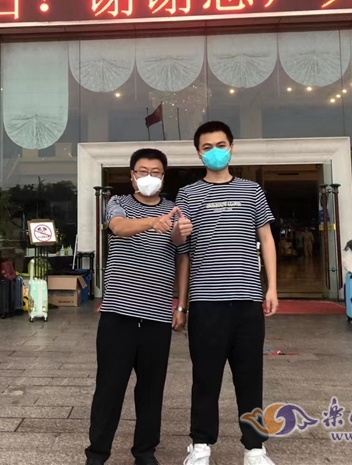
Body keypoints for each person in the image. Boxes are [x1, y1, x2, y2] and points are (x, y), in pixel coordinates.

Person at [172, 121, 279, 465]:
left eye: (220, 145)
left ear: (231, 147)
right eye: (207, 147)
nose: (215, 151)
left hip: (247, 299)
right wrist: (182, 304)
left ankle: (255, 447)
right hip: (206, 302)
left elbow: (266, 239)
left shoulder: (252, 190)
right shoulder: (188, 194)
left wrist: (272, 287)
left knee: (250, 377)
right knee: (205, 377)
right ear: (198, 153)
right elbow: (181, 249)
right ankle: (201, 444)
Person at [86, 148, 191, 465]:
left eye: (155, 172)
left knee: (151, 390)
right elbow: (118, 227)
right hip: (118, 315)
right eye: (142, 171)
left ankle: (145, 452)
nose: (149, 177)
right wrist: (152, 222)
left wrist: (181, 306)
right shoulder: (117, 202)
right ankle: (97, 453)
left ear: (163, 177)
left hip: (157, 316)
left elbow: (182, 256)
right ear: (132, 175)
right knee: (109, 387)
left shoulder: (175, 211)